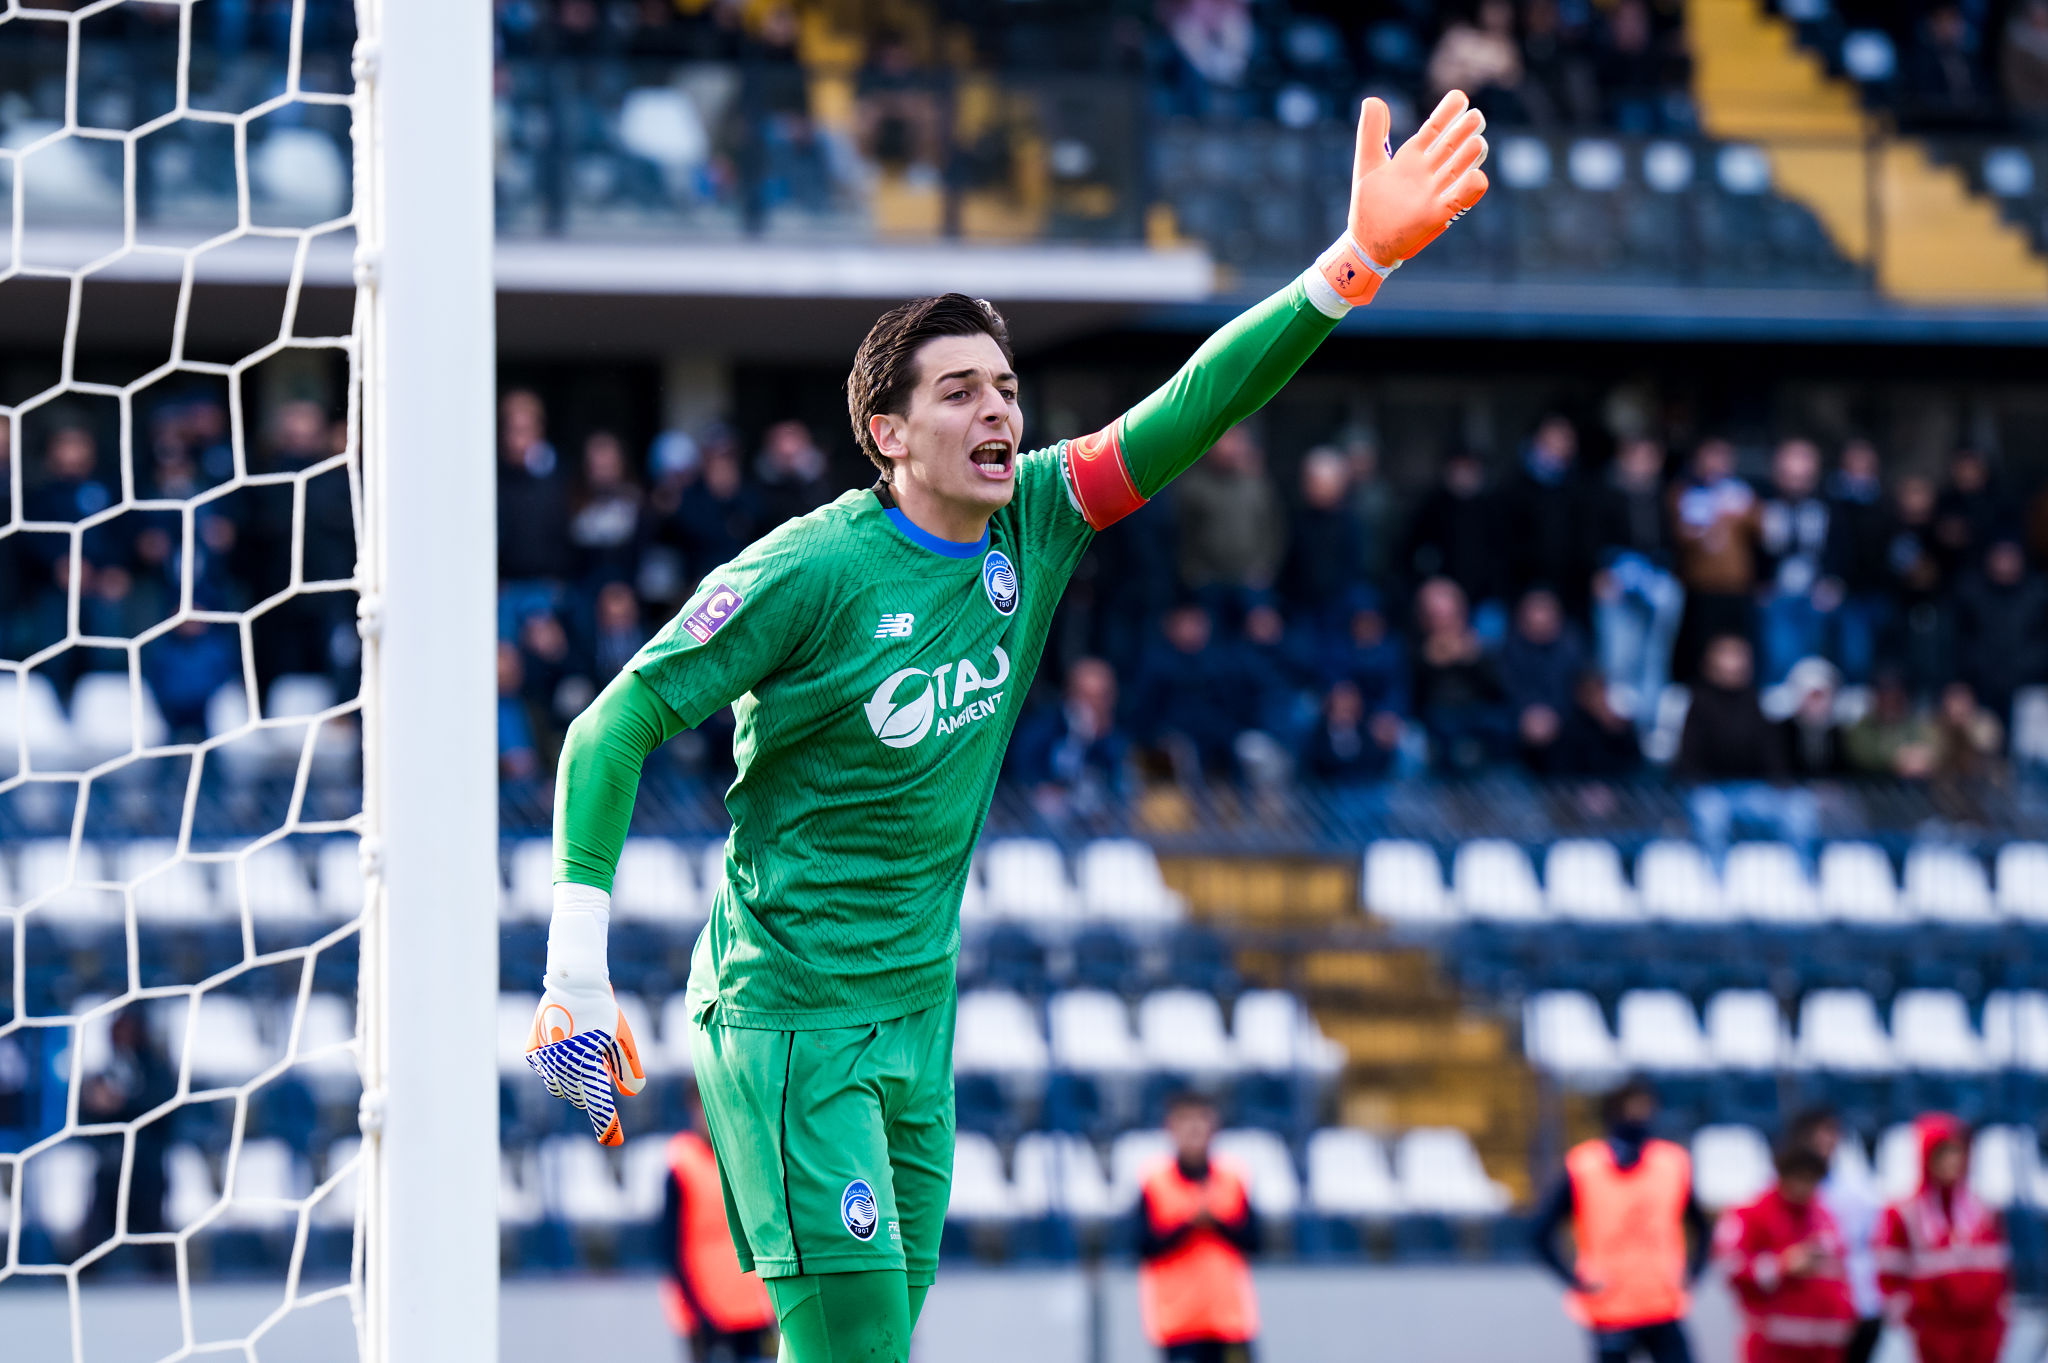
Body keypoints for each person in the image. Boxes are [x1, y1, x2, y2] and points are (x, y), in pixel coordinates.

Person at [524, 92, 1490, 1363]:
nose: (999, 413)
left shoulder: (1035, 521)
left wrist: (1346, 268)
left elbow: (1189, 407)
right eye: (961, 392)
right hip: (789, 1019)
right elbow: (614, 725)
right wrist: (574, 974)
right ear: (886, 432)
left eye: (1008, 388)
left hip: (918, 1015)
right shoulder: (810, 571)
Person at [1531, 1078, 1709, 1363]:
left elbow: (1701, 1225)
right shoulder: (1584, 1166)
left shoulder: (1671, 1163)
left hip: (1662, 1301)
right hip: (1610, 1306)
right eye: (1631, 1108)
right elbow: (1539, 1233)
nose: (1638, 1116)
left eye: (1644, 1108)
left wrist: (1694, 1272)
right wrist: (1573, 1280)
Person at [1875, 1114, 2010, 1363]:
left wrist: (1999, 1317)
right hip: (1934, 1330)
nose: (1951, 1163)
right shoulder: (1906, 1212)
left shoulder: (1982, 1208)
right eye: (1943, 1155)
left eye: (1957, 1154)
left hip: (1982, 1329)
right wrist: (1911, 1318)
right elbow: (1890, 1274)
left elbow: (1999, 1269)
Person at [1137, 1091, 1259, 1363]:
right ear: (1171, 1128)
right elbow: (1144, 1246)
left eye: (1201, 1120)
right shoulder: (1154, 1183)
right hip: (1179, 1323)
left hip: (1229, 1319)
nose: (1194, 1129)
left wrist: (1215, 1223)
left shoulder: (1233, 1178)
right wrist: (1190, 1223)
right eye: (1185, 1121)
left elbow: (1253, 1241)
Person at [1677, 635, 1818, 863]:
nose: (1735, 663)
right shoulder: (1699, 703)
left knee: (1799, 808)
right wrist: (1700, 783)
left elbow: (1770, 752)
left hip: (1755, 791)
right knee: (1710, 813)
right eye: (1728, 655)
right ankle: (1717, 887)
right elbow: (1689, 756)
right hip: (1715, 791)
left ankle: (1803, 882)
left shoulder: (1755, 700)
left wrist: (1781, 781)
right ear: (1713, 663)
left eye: (1739, 656)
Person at [661, 1092, 778, 1363]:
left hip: (752, 1308)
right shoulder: (680, 1165)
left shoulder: (744, 1156)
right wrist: (694, 1309)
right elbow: (669, 1247)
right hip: (706, 1312)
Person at [1714, 1144, 1858, 1363]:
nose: (1805, 1187)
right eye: (1799, 1178)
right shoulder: (1751, 1214)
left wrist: (1846, 1316)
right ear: (1782, 1176)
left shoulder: (1824, 1216)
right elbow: (1731, 1268)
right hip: (1774, 1345)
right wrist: (1783, 1265)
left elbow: (1841, 1273)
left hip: (1825, 1343)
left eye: (1812, 1180)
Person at [1593, 435, 1683, 726]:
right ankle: (1618, 725)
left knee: (1654, 655)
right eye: (1637, 458)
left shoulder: (1664, 496)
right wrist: (1602, 572)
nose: (1643, 465)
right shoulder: (1605, 494)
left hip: (1655, 578)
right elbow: (1592, 541)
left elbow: (1672, 542)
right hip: (1618, 577)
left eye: (1650, 458)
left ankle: (1649, 723)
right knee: (1619, 657)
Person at [1787, 1109, 1883, 1363]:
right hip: (1803, 1314)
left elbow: (1871, 1242)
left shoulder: (1858, 1187)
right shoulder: (1780, 1193)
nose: (1827, 1141)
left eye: (1832, 1133)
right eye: (1819, 1134)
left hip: (1857, 1305)